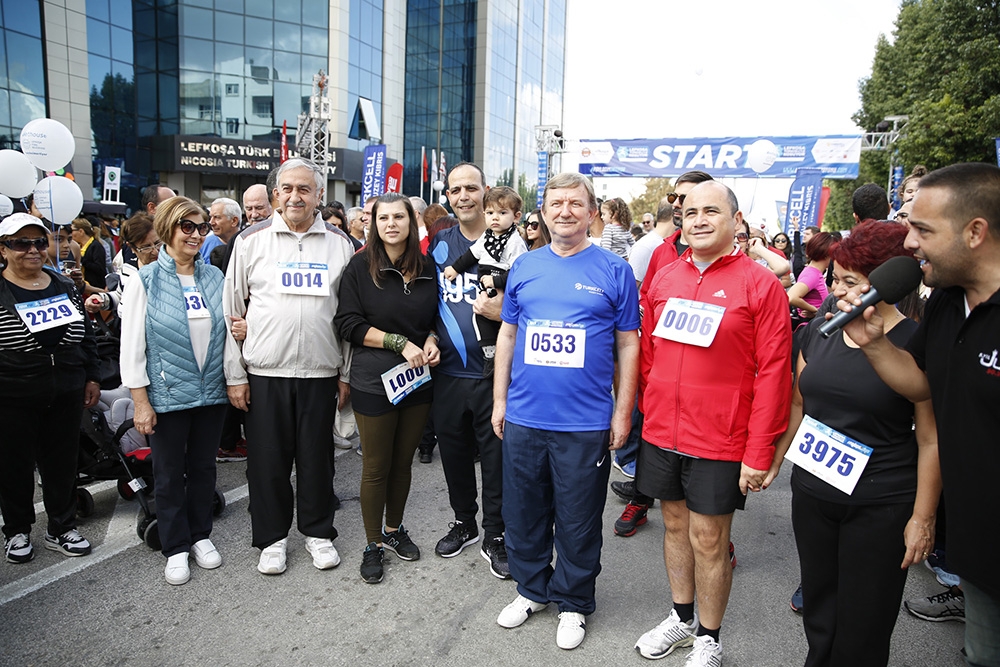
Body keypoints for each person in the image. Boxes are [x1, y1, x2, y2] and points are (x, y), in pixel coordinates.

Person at [836, 162, 1000, 665]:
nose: (908, 243)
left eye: (922, 230)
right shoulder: (949, 302)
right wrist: (876, 347)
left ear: (976, 232)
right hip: (980, 543)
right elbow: (922, 384)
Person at [765, 220, 941, 666]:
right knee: (820, 610)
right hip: (814, 494)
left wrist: (923, 517)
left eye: (851, 281)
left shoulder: (916, 343)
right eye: (834, 277)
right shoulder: (819, 329)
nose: (835, 290)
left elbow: (930, 438)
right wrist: (773, 460)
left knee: (864, 622)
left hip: (881, 502)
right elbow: (799, 404)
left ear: (888, 282)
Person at [634, 181, 791, 665]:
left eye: (711, 212)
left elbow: (774, 375)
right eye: (690, 212)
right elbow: (648, 355)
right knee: (675, 526)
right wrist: (651, 406)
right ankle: (681, 619)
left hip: (721, 438)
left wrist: (759, 451)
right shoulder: (664, 277)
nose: (698, 220)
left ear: (735, 221)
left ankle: (709, 636)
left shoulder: (760, 284)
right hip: (663, 431)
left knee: (709, 538)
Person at [492, 172, 640, 650]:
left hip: (585, 423)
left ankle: (574, 601)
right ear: (543, 211)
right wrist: (499, 401)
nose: (565, 211)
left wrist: (623, 413)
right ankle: (532, 589)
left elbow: (629, 346)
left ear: (592, 211)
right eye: (556, 203)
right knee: (523, 512)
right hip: (525, 418)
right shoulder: (525, 267)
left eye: (576, 204)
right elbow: (508, 335)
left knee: (577, 518)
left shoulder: (614, 270)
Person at [223, 157, 354, 576]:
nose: (295, 196)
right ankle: (272, 539)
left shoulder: (340, 244)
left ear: (319, 195)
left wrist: (345, 373)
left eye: (305, 189)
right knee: (266, 462)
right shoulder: (250, 240)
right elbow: (232, 311)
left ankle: (317, 533)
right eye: (287, 189)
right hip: (265, 373)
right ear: (275, 195)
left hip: (319, 373)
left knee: (318, 460)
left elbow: (349, 315)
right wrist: (235, 374)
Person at [120, 196, 229, 586]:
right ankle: (176, 546)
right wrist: (140, 401)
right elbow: (132, 346)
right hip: (166, 396)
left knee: (203, 470)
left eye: (203, 228)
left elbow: (228, 332)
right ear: (167, 228)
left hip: (210, 393)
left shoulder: (215, 278)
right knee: (167, 475)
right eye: (188, 227)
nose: (197, 235)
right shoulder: (144, 280)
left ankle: (200, 535)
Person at [334, 193, 440, 583]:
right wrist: (398, 342)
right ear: (372, 223)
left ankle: (394, 531)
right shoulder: (360, 267)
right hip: (373, 381)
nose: (391, 224)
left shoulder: (427, 266)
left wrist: (430, 338)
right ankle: (372, 543)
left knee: (403, 462)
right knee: (376, 465)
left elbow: (436, 317)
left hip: (418, 382)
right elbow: (348, 323)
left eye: (399, 217)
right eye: (383, 218)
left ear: (411, 222)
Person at [0, 213, 99, 563]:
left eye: (40, 242)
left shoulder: (66, 286)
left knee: (62, 462)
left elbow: (86, 336)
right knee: (14, 465)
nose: (33, 250)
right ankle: (17, 531)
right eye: (21, 243)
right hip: (13, 395)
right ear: (3, 249)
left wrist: (91, 376)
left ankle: (61, 526)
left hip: (67, 390)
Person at [426, 162, 509, 579]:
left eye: (470, 188)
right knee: (454, 455)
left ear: (485, 191)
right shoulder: (439, 243)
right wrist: (424, 335)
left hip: (494, 376)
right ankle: (465, 522)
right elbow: (422, 299)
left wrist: (505, 309)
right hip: (448, 375)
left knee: (495, 459)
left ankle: (496, 533)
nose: (462, 196)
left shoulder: (513, 244)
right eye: (455, 189)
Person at [443, 185, 528, 377]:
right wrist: (455, 268)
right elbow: (471, 255)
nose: (495, 217)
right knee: (479, 315)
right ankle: (490, 355)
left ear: (516, 216)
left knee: (501, 324)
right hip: (487, 284)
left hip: (504, 285)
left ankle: (504, 358)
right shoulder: (487, 237)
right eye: (490, 212)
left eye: (502, 212)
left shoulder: (515, 242)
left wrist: (496, 281)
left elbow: (518, 275)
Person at [85, 213, 159, 317]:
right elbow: (120, 296)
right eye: (146, 247)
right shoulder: (128, 268)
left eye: (158, 243)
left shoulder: (169, 268)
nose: (155, 251)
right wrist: (101, 299)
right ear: (131, 248)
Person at [788, 232, 838, 325]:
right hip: (811, 326)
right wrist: (815, 310)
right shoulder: (812, 274)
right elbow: (792, 297)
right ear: (828, 254)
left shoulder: (814, 272)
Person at [71, 218, 108, 289]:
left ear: (81, 231)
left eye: (72, 230)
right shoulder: (78, 247)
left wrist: (82, 259)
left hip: (95, 287)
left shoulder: (96, 246)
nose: (70, 233)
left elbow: (100, 269)